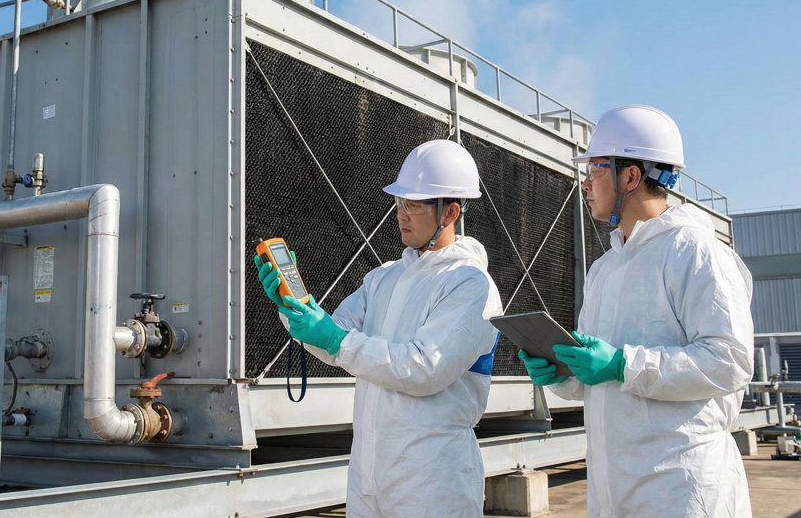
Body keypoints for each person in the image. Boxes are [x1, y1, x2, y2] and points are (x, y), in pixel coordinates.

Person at [519, 104, 754, 518]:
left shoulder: (696, 252)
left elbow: (729, 361)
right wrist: (563, 372)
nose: (586, 184)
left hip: (681, 487)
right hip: (615, 486)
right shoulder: (606, 267)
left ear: (629, 176)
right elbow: (600, 377)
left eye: (594, 171)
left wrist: (622, 364)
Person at [255, 139, 502, 518]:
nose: (401, 214)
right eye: (400, 202)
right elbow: (332, 337)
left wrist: (335, 339)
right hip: (369, 475)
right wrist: (295, 309)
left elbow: (425, 368)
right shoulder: (383, 278)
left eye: (415, 203)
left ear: (450, 212)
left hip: (433, 480)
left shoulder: (470, 284)